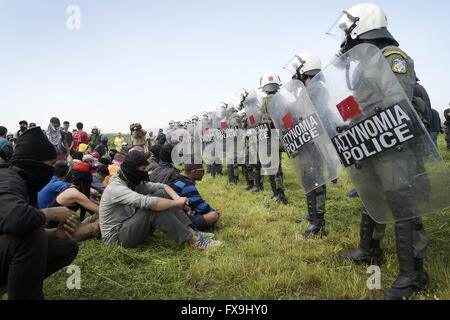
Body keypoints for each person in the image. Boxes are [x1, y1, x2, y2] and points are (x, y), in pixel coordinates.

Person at [329, 3, 429, 300]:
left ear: (364, 24)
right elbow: (359, 100)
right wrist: (344, 119)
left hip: (394, 144)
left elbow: (398, 102)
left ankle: (414, 275)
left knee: (402, 204)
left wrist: (364, 118)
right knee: (370, 194)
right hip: (370, 142)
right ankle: (368, 250)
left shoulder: (391, 57)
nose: (346, 34)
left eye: (349, 27)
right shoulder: (364, 61)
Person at [0, 127, 78, 299]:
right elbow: (15, 219)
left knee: (68, 247)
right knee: (31, 239)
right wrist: (51, 213)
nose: (51, 171)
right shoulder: (7, 179)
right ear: (33, 162)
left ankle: (13, 285)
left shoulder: (28, 184)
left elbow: (22, 228)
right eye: (50, 165)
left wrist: (55, 233)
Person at [99, 151, 222, 250]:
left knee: (161, 194)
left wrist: (178, 199)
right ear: (132, 170)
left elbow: (162, 187)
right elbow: (149, 203)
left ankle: (192, 232)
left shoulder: (129, 180)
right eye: (142, 170)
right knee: (152, 209)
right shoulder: (116, 189)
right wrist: (176, 203)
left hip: (128, 224)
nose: (145, 174)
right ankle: (194, 241)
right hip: (116, 239)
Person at [287, 52, 329, 237]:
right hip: (306, 142)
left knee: (316, 180)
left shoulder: (315, 88)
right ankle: (312, 214)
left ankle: (317, 222)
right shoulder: (307, 88)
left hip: (314, 143)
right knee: (308, 179)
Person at [50, 162, 101, 241]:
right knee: (103, 221)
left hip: (67, 228)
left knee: (95, 217)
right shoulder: (74, 194)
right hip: (60, 233)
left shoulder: (73, 188)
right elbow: (101, 211)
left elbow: (92, 203)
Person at [260, 72, 287, 204]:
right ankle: (278, 193)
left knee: (273, 167)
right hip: (284, 134)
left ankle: (278, 194)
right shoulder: (282, 98)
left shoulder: (265, 101)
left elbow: (264, 120)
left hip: (271, 135)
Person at [170, 163, 221, 231]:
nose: (204, 172)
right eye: (202, 170)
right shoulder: (187, 186)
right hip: (179, 219)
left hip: (176, 214)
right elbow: (201, 207)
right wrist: (215, 212)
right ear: (194, 172)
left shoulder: (180, 180)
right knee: (213, 216)